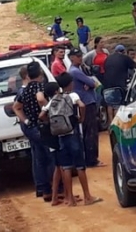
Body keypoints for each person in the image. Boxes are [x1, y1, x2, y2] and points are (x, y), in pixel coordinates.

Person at [40, 73, 102, 206]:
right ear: (69, 84)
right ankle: (87, 197)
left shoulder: (53, 99)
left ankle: (71, 200)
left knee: (66, 167)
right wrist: (81, 119)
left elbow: (42, 115)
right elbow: (82, 106)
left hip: (60, 137)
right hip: (72, 134)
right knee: (80, 166)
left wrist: (52, 123)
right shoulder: (72, 95)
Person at [12, 61, 56, 201]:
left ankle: (43, 189)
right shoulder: (40, 87)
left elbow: (16, 107)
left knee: (39, 159)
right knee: (51, 157)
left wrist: (25, 120)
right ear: (40, 73)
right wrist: (46, 111)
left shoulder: (24, 91)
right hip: (42, 126)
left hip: (31, 127)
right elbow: (41, 99)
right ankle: (55, 190)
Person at [69, 48, 106, 167]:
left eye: (80, 56)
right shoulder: (75, 71)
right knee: (91, 132)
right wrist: (89, 84)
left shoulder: (79, 69)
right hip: (87, 103)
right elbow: (93, 83)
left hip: (86, 101)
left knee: (88, 132)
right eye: (77, 56)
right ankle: (92, 160)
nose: (80, 58)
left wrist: (89, 83)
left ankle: (90, 158)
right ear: (71, 58)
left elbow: (91, 82)